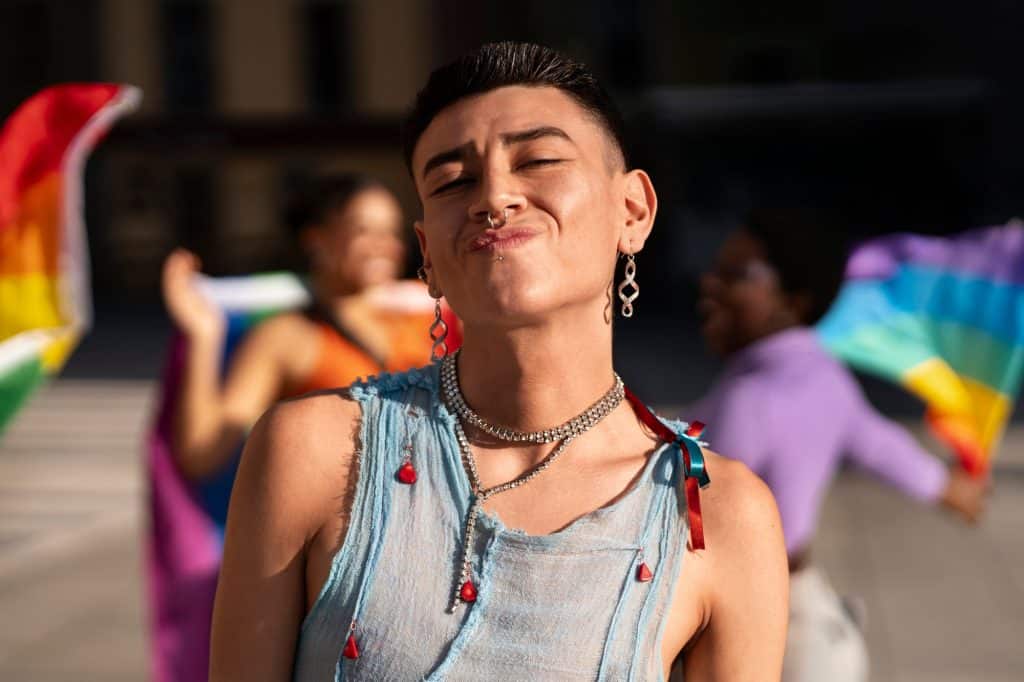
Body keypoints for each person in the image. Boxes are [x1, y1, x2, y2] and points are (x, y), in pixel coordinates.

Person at [210, 42, 788, 681]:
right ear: (426, 253)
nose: (495, 196)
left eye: (538, 160)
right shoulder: (314, 450)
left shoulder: (717, 510)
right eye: (452, 180)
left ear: (633, 210)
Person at [689, 208, 990, 682]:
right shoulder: (823, 375)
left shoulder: (756, 393)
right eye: (716, 270)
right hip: (812, 617)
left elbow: (688, 506)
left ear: (795, 299)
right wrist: (950, 489)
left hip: (754, 626)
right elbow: (880, 443)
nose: (711, 284)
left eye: (735, 275)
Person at [161, 173, 435, 481]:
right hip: (338, 521)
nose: (384, 246)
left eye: (391, 232)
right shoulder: (287, 336)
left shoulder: (426, 317)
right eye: (362, 229)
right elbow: (202, 453)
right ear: (316, 240)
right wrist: (203, 334)